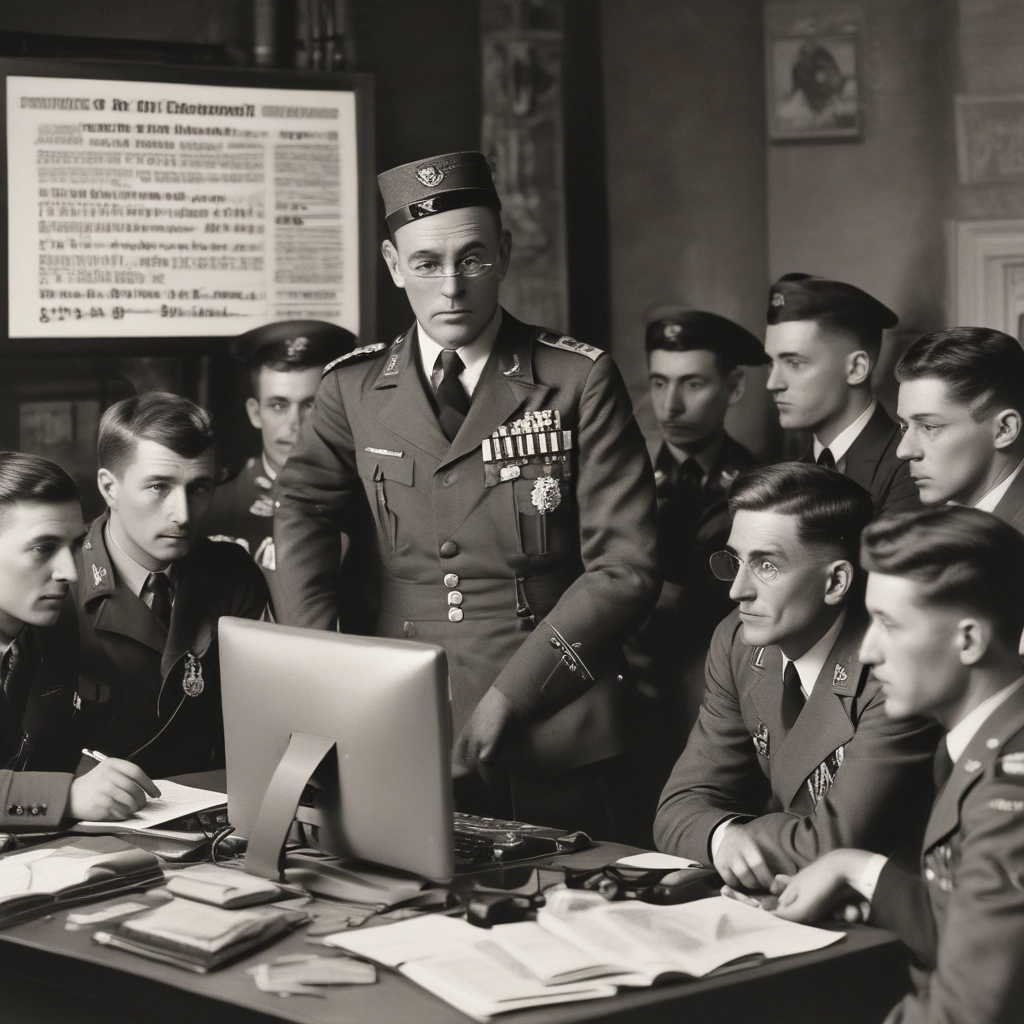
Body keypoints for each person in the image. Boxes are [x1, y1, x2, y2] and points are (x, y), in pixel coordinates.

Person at [270, 151, 660, 841]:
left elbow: (625, 569)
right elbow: (301, 505)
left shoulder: (576, 380)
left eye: (472, 259)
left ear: (504, 254)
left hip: (557, 722)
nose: (451, 287)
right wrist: (321, 655)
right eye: (426, 264)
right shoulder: (351, 390)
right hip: (398, 716)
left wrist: (514, 695)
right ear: (393, 265)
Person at [773, 506, 1024, 1024]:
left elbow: (969, 1011)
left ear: (970, 640)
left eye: (888, 624)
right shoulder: (984, 742)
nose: (866, 652)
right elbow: (976, 929)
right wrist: (857, 870)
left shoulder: (1010, 793)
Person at [654, 462, 940, 887]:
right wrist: (723, 838)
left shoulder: (892, 668)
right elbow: (679, 806)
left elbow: (833, 847)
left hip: (894, 919)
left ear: (836, 582)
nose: (737, 590)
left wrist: (736, 837)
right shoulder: (737, 640)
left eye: (766, 566)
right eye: (735, 561)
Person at [74, 392, 269, 779]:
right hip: (89, 819)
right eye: (159, 487)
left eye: (198, 488)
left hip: (211, 808)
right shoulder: (56, 580)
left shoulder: (233, 574)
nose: (182, 515)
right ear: (109, 488)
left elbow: (260, 714)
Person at [625, 309, 768, 824]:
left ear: (732, 388)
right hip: (626, 704)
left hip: (717, 706)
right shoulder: (620, 475)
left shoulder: (759, 486)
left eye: (692, 384)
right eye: (659, 383)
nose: (670, 405)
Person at [0, 452, 157, 827]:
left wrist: (103, 782)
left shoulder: (53, 632)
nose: (70, 572)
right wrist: (64, 797)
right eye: (43, 548)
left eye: (75, 545)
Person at [203, 320, 356, 572]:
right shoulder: (211, 503)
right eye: (279, 405)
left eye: (311, 405)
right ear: (255, 413)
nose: (295, 425)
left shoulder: (369, 503)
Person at [764, 273, 919, 518]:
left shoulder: (911, 469)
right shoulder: (788, 474)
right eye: (771, 363)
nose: (773, 383)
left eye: (794, 363)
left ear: (857, 368)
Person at [895, 326, 1024, 530]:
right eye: (904, 426)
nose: (904, 451)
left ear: (1004, 429)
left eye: (929, 427)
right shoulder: (933, 528)